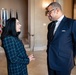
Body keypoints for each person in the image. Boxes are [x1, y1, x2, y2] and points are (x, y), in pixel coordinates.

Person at [46, 2, 76, 75]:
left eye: (49, 11)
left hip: (64, 63)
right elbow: (50, 42)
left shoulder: (72, 23)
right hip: (50, 62)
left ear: (57, 10)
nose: (48, 14)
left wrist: (70, 56)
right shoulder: (50, 25)